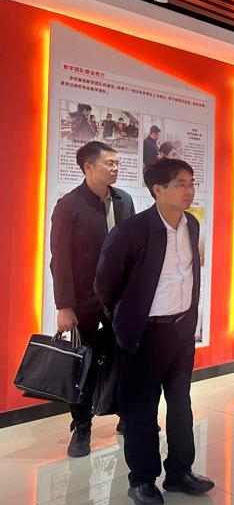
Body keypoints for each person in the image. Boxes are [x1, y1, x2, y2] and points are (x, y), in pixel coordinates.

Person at [95, 159, 213, 505]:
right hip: (144, 334)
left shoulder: (192, 224)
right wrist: (124, 320)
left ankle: (180, 471)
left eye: (191, 182)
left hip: (181, 332)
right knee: (141, 410)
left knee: (180, 404)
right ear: (157, 190)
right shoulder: (131, 231)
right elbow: (105, 284)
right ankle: (142, 479)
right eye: (181, 184)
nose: (189, 190)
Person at [50, 141, 135, 458]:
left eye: (117, 163)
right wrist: (65, 305)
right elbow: (60, 259)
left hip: (120, 299)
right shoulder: (69, 205)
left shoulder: (124, 200)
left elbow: (132, 249)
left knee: (125, 357)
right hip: (84, 300)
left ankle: (126, 415)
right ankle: (82, 426)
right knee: (82, 363)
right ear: (88, 167)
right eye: (109, 163)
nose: (115, 168)